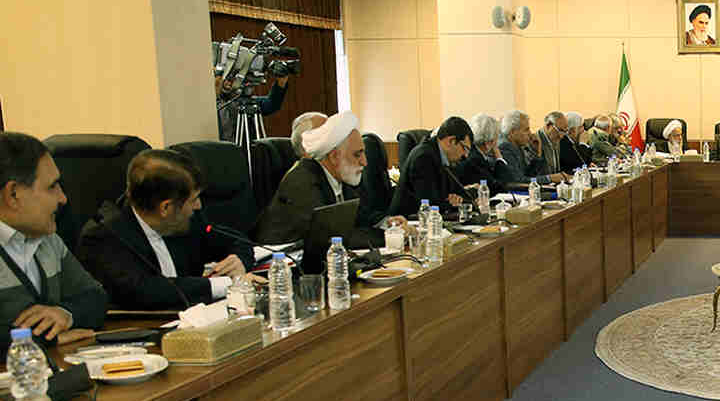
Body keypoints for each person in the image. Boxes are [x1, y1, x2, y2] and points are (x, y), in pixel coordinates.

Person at [79, 149, 257, 310]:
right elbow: (144, 290)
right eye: (194, 199)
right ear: (166, 207)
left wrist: (238, 261)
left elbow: (235, 240)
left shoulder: (184, 218)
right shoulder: (103, 237)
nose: (199, 205)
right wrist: (229, 284)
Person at [0, 133, 106, 339]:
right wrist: (46, 339)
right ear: (13, 194)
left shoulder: (48, 239)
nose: (63, 198)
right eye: (52, 187)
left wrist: (65, 314)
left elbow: (95, 297)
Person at [256, 111, 386, 248]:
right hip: (281, 258)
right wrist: (390, 236)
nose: (365, 162)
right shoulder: (303, 181)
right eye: (357, 155)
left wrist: (387, 224)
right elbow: (333, 237)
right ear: (334, 157)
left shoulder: (340, 175)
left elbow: (361, 216)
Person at [389, 116, 471, 217]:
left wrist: (457, 199)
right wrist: (450, 203)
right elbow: (429, 204)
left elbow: (457, 194)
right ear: (451, 141)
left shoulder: (443, 157)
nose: (466, 155)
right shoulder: (424, 157)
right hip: (406, 221)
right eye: (465, 148)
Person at [498, 110, 565, 185]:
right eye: (526, 130)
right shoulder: (505, 148)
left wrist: (538, 153)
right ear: (513, 132)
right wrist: (550, 178)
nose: (530, 134)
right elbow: (518, 181)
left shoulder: (518, 146)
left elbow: (529, 176)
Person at [460, 113, 521, 195]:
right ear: (490, 142)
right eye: (496, 137)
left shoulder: (477, 154)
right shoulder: (475, 159)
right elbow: (502, 187)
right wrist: (499, 158)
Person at [537, 112, 568, 177]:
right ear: (548, 126)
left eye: (565, 131)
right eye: (560, 130)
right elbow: (533, 175)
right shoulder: (535, 141)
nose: (561, 136)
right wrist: (551, 178)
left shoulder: (555, 139)